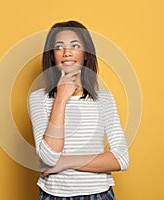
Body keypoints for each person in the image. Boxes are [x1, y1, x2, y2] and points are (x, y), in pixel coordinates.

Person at [28, 20, 129, 200]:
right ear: (52, 55)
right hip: (53, 195)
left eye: (75, 45)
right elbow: (49, 158)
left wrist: (64, 163)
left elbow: (121, 159)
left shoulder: (103, 98)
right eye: (59, 47)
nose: (67, 52)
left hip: (98, 194)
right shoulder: (38, 99)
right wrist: (61, 98)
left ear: (86, 54)